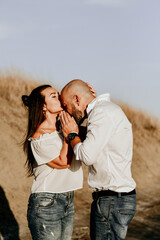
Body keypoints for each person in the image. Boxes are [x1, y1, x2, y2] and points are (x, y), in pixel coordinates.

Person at [59, 79, 136, 240]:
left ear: (77, 99)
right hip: (116, 199)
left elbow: (87, 155)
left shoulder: (101, 112)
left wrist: (71, 134)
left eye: (66, 106)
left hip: (112, 201)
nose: (68, 113)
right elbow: (97, 139)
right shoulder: (107, 111)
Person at [22, 84, 83, 240]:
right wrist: (68, 136)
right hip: (46, 202)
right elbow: (64, 162)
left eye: (58, 94)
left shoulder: (63, 128)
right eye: (53, 96)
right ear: (43, 107)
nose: (59, 98)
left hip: (67, 198)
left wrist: (86, 98)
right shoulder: (39, 137)